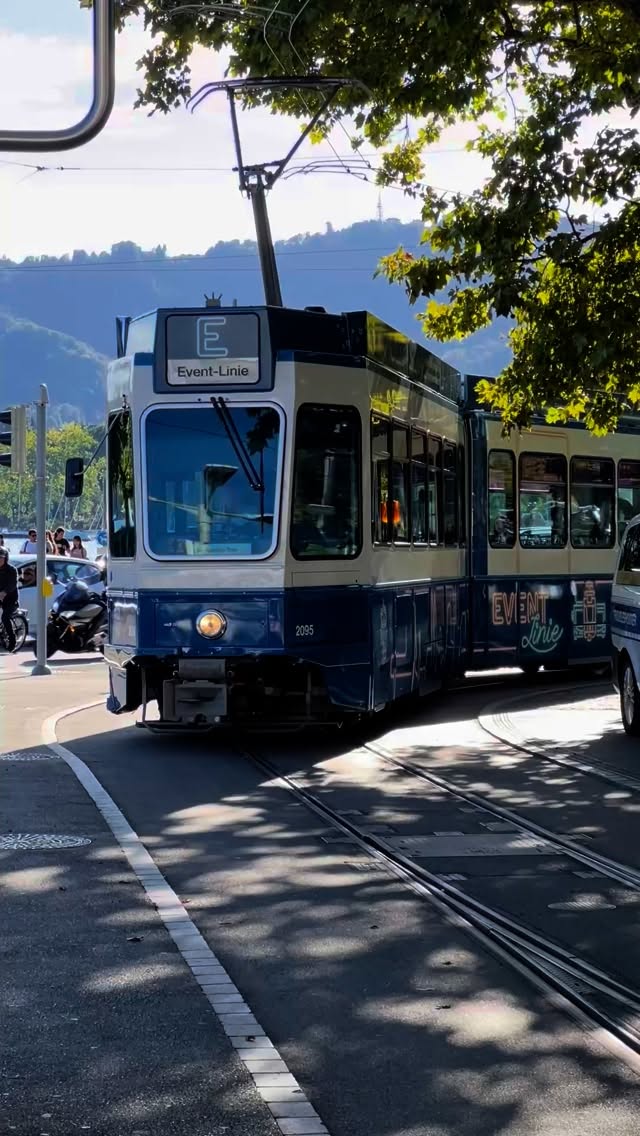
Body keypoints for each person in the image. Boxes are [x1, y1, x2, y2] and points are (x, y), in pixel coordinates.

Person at [0, 547, 19, 652]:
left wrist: (4, 592)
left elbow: (12, 584)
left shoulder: (12, 570)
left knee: (5, 617)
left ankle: (13, 640)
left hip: (11, 599)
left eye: (1, 558)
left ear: (5, 558)